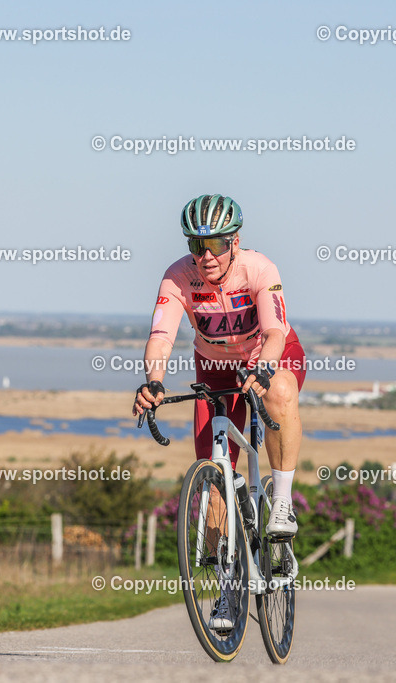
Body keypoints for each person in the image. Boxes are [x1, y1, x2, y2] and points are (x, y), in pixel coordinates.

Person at [132, 194, 306, 629]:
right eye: (196, 245)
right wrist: (154, 380)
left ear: (235, 241)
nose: (205, 256)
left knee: (281, 390)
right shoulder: (177, 277)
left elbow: (273, 332)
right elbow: (161, 337)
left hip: (267, 355)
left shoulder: (259, 269)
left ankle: (281, 504)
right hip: (214, 369)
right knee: (214, 480)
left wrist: (264, 370)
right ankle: (228, 591)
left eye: (216, 244)